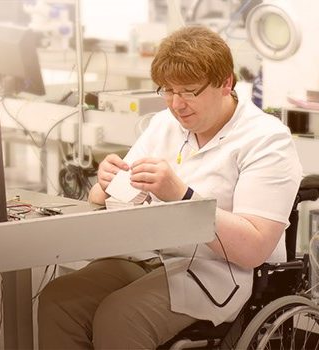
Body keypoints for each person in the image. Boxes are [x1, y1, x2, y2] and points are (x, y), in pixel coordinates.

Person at [37, 25, 302, 349]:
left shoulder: (265, 139)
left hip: (215, 270)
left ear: (226, 83)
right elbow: (107, 197)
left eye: (189, 91)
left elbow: (253, 248)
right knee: (59, 301)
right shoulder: (165, 123)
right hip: (148, 256)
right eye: (168, 90)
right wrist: (105, 184)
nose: (177, 104)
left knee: (120, 317)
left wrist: (183, 195)